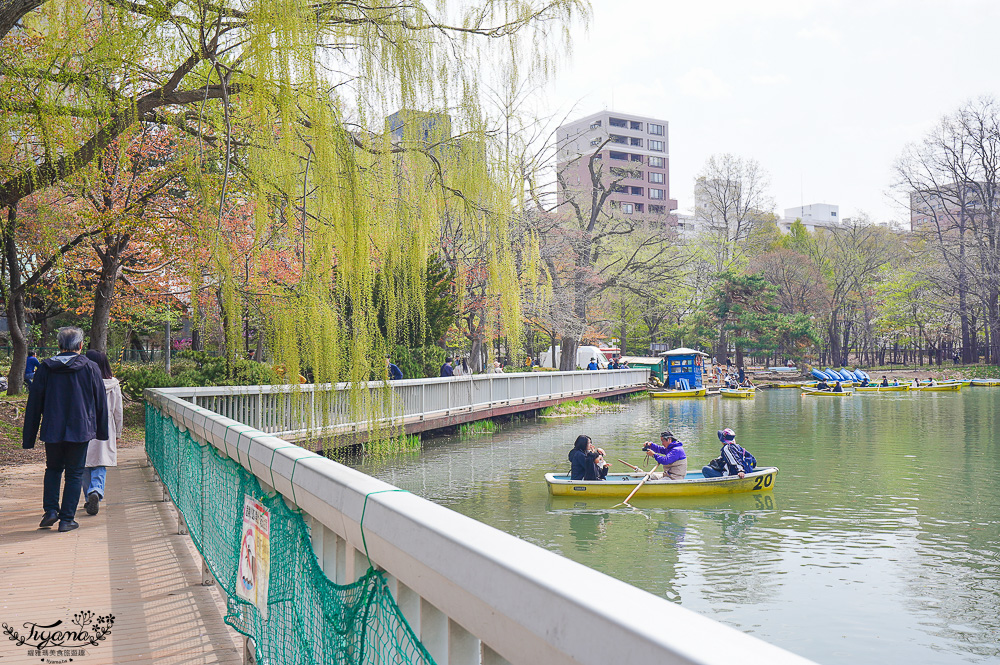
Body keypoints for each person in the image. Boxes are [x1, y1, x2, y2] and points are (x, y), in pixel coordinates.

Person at [22, 327, 109, 532]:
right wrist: (102, 431)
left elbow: (34, 403)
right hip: (80, 429)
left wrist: (29, 437)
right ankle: (67, 519)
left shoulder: (45, 368)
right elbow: (101, 402)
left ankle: (51, 511)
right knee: (74, 473)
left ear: (59, 345)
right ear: (80, 346)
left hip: (52, 428)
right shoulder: (90, 367)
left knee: (52, 469)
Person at [82, 350, 123, 516]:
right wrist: (118, 432)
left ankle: (88, 496)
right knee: (100, 462)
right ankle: (96, 491)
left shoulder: (82, 381)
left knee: (84, 463)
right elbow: (118, 411)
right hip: (105, 427)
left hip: (84, 425)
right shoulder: (113, 384)